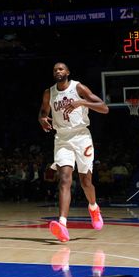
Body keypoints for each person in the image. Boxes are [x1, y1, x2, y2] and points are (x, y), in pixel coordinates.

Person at [38, 62, 109, 242]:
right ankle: (62, 223)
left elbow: (104, 107)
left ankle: (93, 207)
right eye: (55, 69)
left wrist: (82, 102)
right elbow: (43, 112)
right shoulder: (49, 92)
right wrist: (42, 119)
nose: (57, 71)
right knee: (64, 179)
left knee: (86, 181)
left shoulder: (78, 87)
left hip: (81, 136)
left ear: (68, 72)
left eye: (61, 69)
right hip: (62, 138)